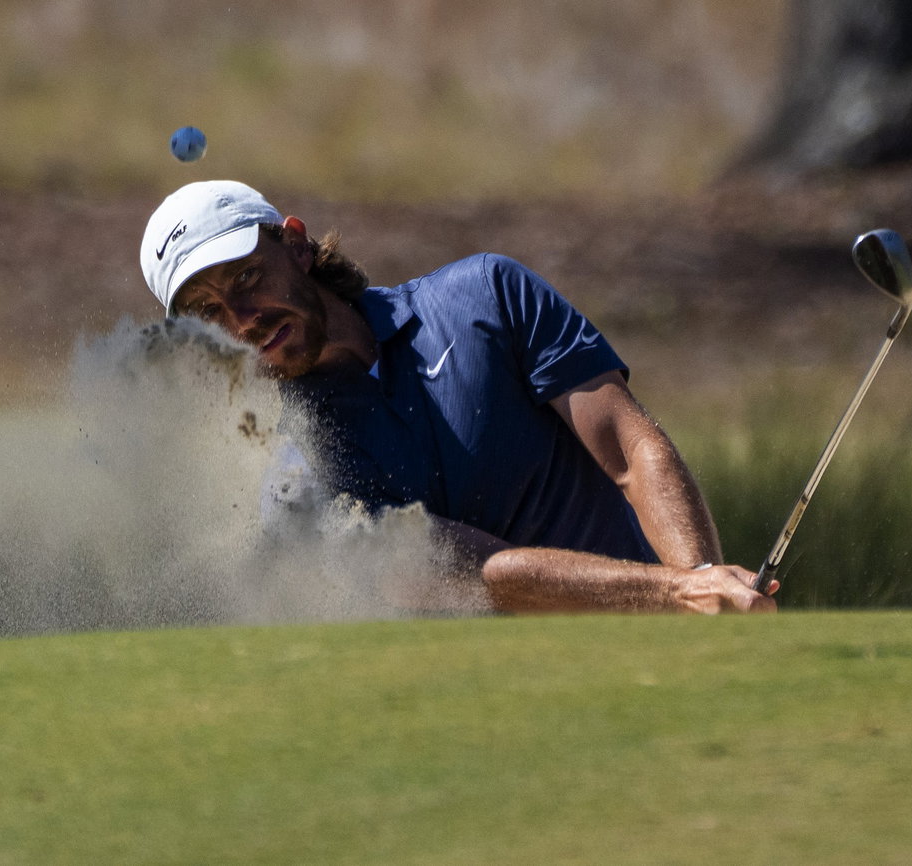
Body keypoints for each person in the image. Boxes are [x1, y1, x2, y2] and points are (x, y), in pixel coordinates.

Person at [139, 180, 776, 615]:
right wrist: (677, 595)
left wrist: (705, 586)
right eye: (208, 313)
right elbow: (490, 575)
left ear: (297, 244)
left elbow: (630, 449)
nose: (243, 320)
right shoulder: (297, 481)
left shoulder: (486, 297)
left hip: (669, 650)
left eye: (247, 276)